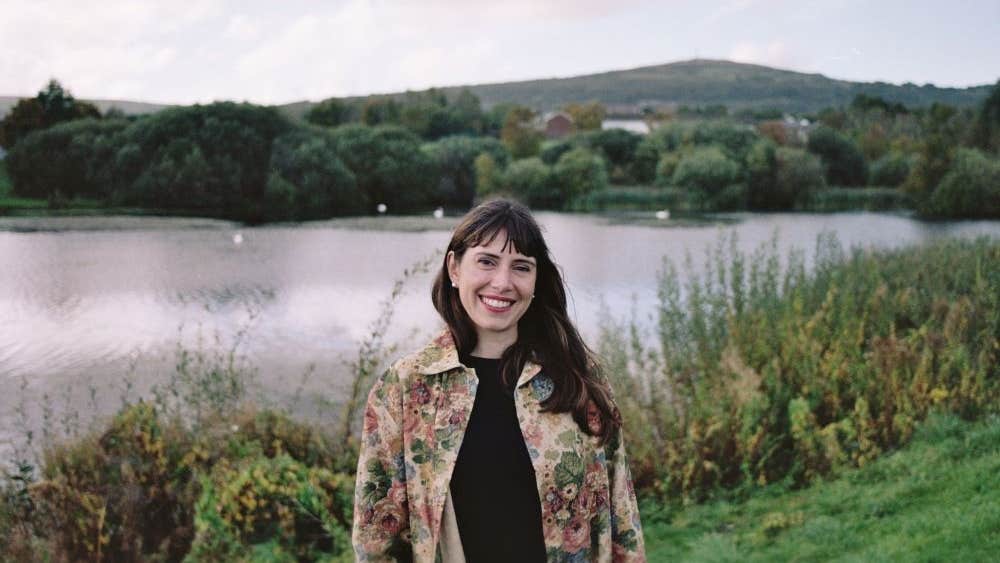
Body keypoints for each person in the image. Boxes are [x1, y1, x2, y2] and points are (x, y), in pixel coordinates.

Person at [352, 199, 645, 562]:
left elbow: (622, 519)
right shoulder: (406, 388)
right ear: (455, 268)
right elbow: (376, 537)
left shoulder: (578, 379)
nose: (503, 282)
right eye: (487, 261)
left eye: (521, 267)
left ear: (537, 281)